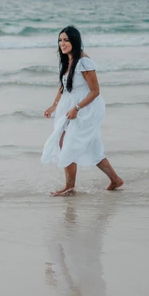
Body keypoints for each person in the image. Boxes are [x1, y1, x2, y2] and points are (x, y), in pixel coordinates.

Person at [41, 26, 123, 195]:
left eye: (66, 40)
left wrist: (77, 108)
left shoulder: (84, 61)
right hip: (70, 107)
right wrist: (54, 105)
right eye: (60, 40)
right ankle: (115, 180)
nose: (62, 44)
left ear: (75, 41)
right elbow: (64, 86)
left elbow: (95, 91)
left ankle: (69, 188)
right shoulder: (67, 60)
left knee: (68, 144)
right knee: (90, 147)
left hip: (87, 108)